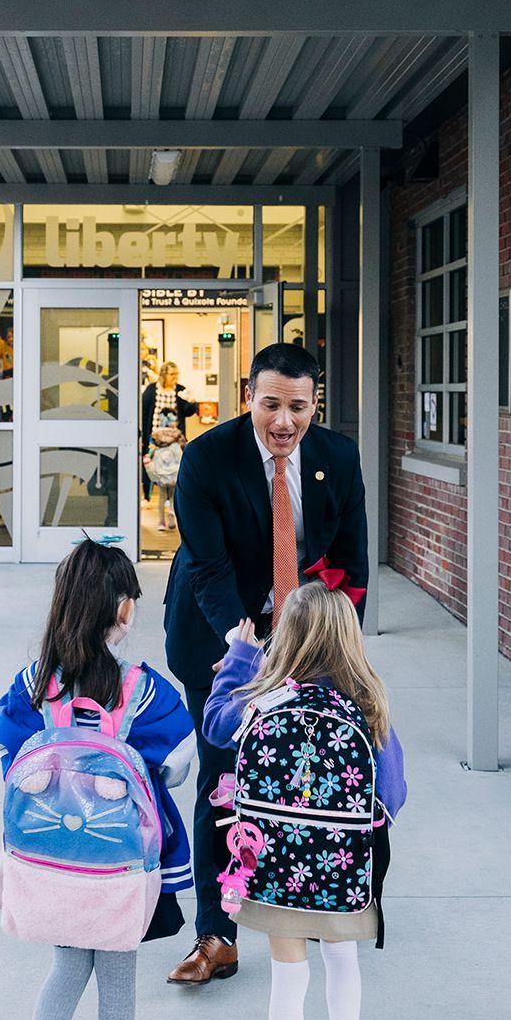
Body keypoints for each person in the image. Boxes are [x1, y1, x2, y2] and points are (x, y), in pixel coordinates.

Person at [162, 342, 369, 986]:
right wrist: (243, 643)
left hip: (307, 639)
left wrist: (335, 648)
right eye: (270, 404)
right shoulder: (206, 459)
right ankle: (216, 934)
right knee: (223, 777)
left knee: (309, 777)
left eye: (298, 407)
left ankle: (301, 902)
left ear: (316, 403)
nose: (284, 421)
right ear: (248, 396)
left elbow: (352, 561)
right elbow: (208, 566)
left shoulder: (337, 456)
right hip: (220, 635)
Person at [0, 540, 194, 1020]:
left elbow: (3, 744)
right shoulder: (141, 689)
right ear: (122, 610)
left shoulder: (34, 683)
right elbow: (180, 761)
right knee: (117, 972)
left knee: (66, 965)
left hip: (51, 856)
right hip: (119, 862)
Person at [203, 581, 404, 1020]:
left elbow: (215, 724)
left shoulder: (262, 699)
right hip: (343, 867)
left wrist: (241, 657)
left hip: (270, 863)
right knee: (342, 960)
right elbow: (393, 792)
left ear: (283, 637)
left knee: (288, 978)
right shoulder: (367, 704)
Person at [141, 359, 201, 532]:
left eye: (177, 374)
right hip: (155, 439)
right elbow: (144, 413)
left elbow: (189, 412)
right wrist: (144, 438)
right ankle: (148, 496)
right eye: (172, 374)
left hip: (174, 439)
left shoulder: (180, 390)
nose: (175, 377)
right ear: (164, 374)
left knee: (175, 472)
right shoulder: (152, 390)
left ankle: (172, 511)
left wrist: (192, 402)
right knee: (155, 470)